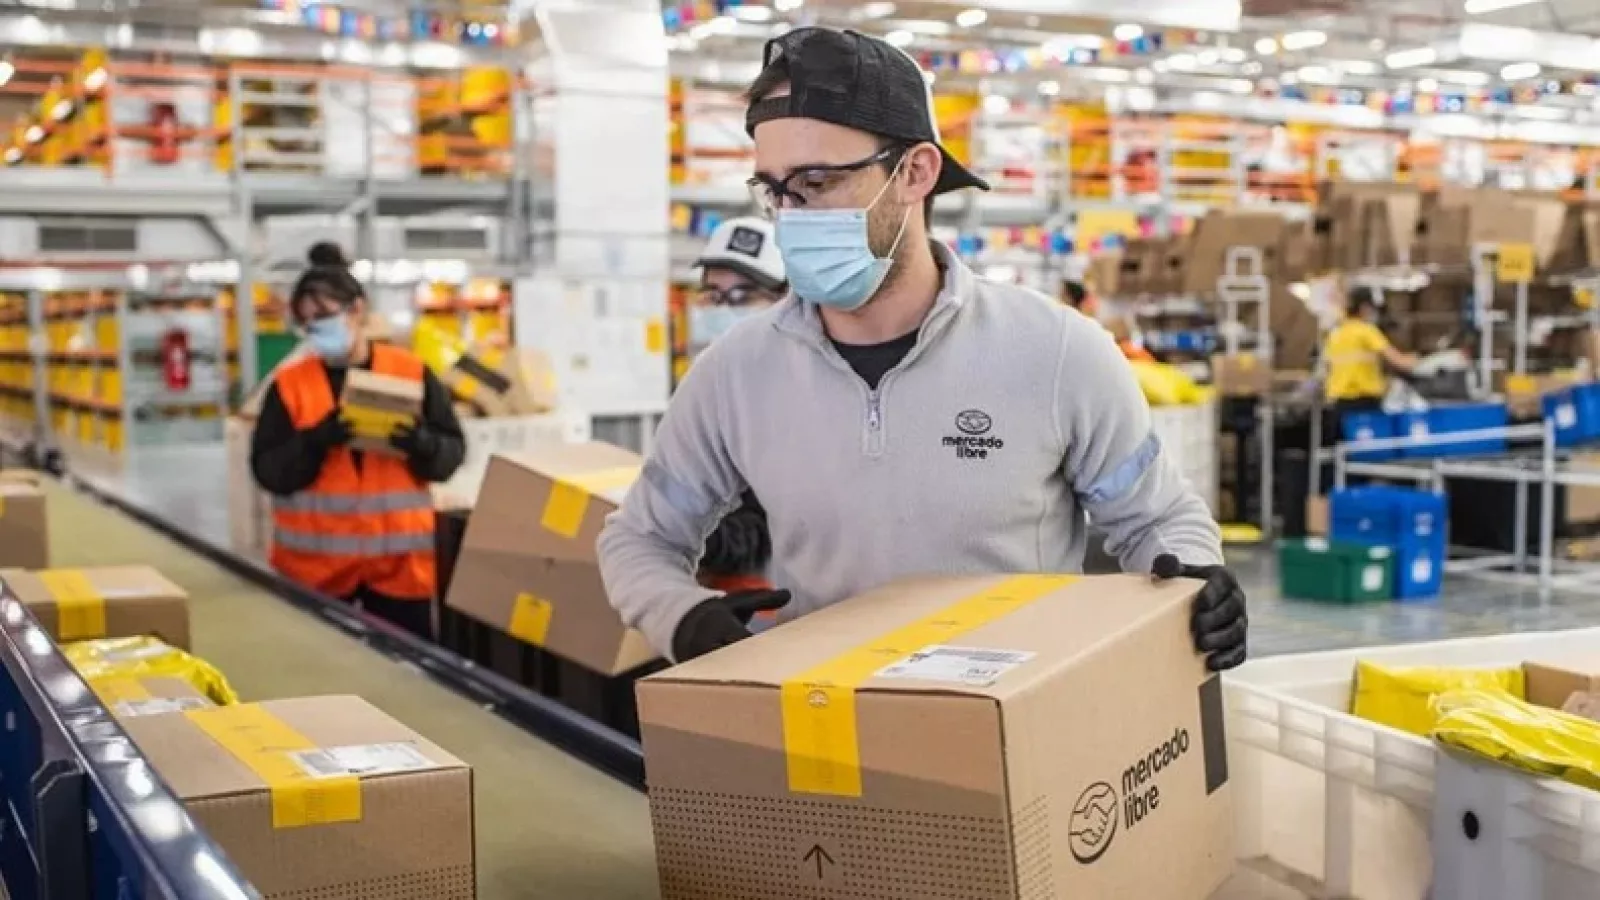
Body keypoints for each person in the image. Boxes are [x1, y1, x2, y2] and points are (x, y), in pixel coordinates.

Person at [598, 28, 1244, 670]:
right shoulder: (735, 374)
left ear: (915, 172)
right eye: (774, 189)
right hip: (823, 713)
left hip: (1014, 713)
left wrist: (1195, 580)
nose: (791, 215)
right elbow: (638, 538)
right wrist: (683, 617)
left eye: (816, 181)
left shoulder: (1056, 353)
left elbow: (1157, 518)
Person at [250, 243, 465, 639]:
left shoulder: (411, 373)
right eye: (307, 322)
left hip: (400, 572)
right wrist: (316, 441)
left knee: (406, 671)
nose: (316, 330)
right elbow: (268, 471)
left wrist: (421, 444)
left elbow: (451, 455)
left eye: (324, 317)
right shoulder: (290, 385)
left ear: (357, 310)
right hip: (317, 575)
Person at [690, 217, 785, 594]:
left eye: (743, 297)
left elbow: (772, 528)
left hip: (781, 609)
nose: (723, 310)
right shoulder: (708, 388)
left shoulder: (803, 399)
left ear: (785, 302)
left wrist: (693, 533)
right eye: (713, 296)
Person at [1322, 287, 1418, 422]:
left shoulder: (1336, 333)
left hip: (1339, 402)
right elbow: (1398, 360)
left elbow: (1328, 366)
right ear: (1364, 307)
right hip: (1364, 401)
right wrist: (1418, 361)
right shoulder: (1366, 331)